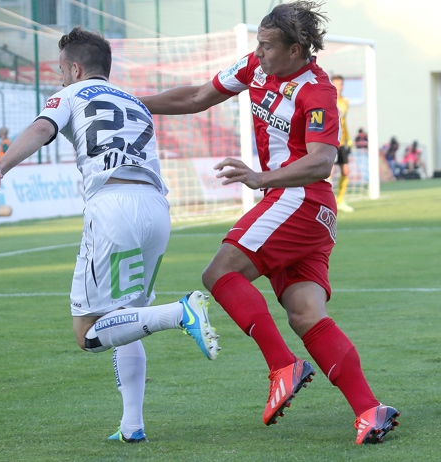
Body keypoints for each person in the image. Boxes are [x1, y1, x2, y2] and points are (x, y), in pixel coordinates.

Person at [139, 0, 399, 445]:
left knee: (219, 273)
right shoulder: (256, 69)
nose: (258, 53)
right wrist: (129, 103)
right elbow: (199, 96)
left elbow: (321, 161)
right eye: (257, 44)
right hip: (305, 210)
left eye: (267, 46)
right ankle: (369, 410)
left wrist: (262, 178)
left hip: (297, 198)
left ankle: (283, 366)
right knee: (305, 314)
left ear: (297, 50)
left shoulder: (317, 92)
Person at [0, 26, 220, 443]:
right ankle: (132, 426)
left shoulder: (70, 95)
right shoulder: (135, 102)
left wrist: (1, 166)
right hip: (157, 209)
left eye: (60, 70)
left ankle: (180, 313)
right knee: (127, 319)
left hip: (112, 207)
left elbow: (41, 129)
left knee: (89, 333)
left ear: (75, 68)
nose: (59, 78)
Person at [331, 75, 354, 212]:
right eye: (336, 84)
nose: (338, 87)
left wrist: (349, 139)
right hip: (331, 142)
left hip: (343, 141)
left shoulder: (345, 102)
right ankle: (329, 201)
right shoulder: (328, 100)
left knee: (345, 171)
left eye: (340, 84)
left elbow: (343, 123)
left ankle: (341, 200)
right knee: (330, 172)